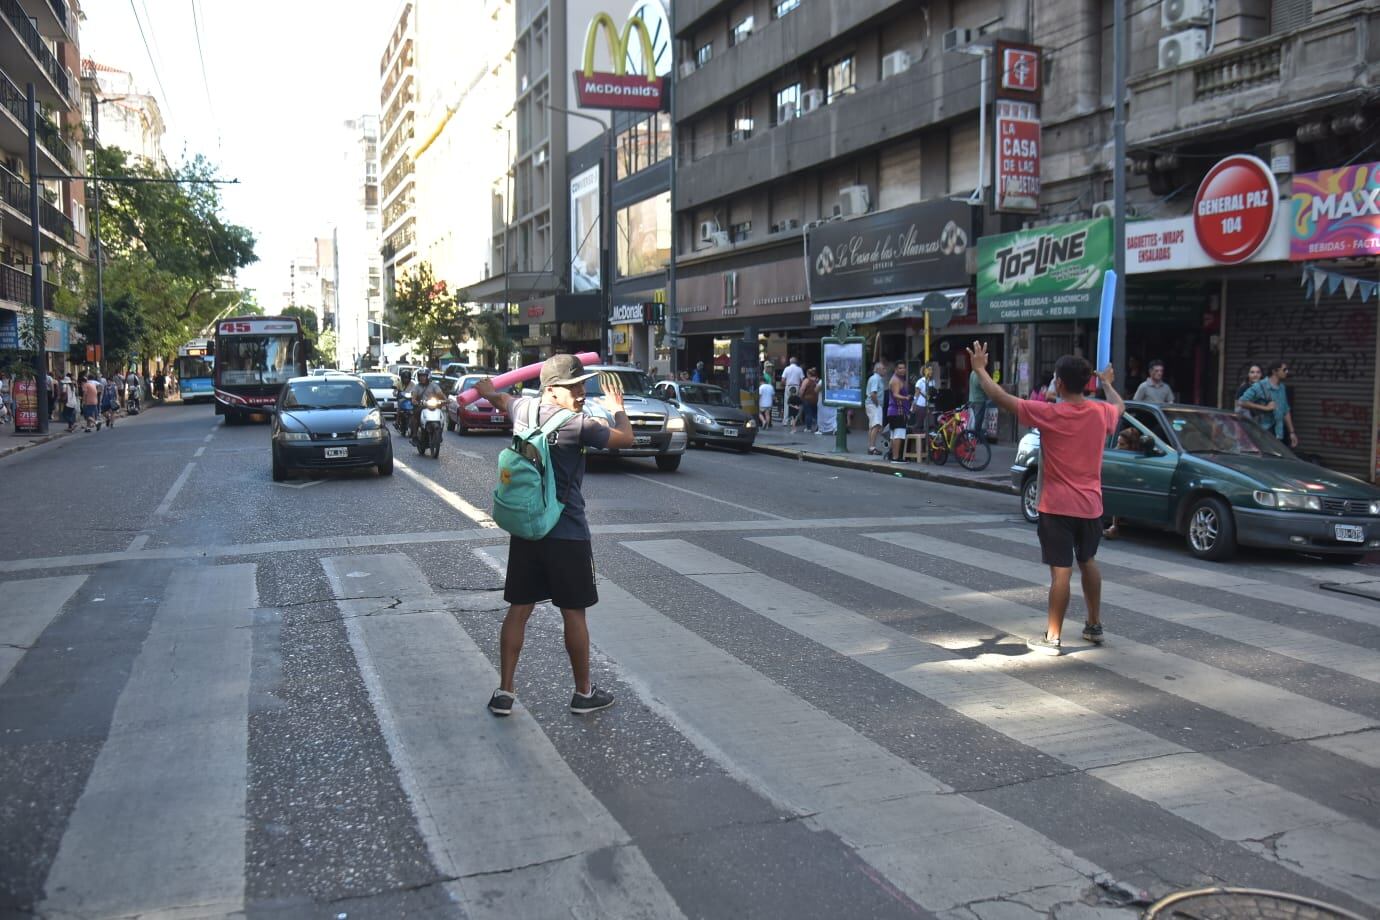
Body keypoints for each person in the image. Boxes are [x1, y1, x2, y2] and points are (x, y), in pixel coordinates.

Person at [476, 355, 635, 717]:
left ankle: (505, 691)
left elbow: (503, 400)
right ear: (552, 390)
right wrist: (618, 409)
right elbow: (625, 439)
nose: (581, 393)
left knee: (519, 609)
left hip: (528, 529)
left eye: (582, 385)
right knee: (573, 613)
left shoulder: (524, 410)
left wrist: (488, 391)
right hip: (567, 533)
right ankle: (583, 693)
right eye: (573, 387)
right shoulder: (579, 425)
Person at [969, 341, 1124, 656]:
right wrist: (1108, 385)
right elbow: (1120, 407)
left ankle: (1053, 637)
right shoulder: (1101, 413)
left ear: (1061, 383)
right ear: (1087, 383)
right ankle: (1094, 626)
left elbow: (1000, 397)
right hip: (1091, 506)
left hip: (1056, 506)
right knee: (1088, 561)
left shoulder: (1051, 414)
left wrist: (980, 369)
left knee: (1061, 571)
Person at [1238, 361, 1297, 447]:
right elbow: (1241, 402)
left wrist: (1292, 432)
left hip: (1279, 433)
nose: (1287, 372)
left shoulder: (1282, 387)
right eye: (1284, 370)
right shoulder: (1260, 386)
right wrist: (1265, 408)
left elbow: (1286, 410)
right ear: (1275, 371)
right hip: (1263, 432)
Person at [885, 364, 913, 463]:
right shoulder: (896, 380)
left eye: (904, 368)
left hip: (893, 411)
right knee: (899, 435)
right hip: (898, 411)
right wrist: (906, 398)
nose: (903, 370)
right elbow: (895, 394)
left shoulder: (897, 379)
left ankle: (893, 455)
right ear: (895, 369)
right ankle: (896, 458)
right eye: (900, 368)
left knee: (893, 435)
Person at [408, 367, 445, 436]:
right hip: (421, 407)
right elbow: (414, 397)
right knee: (415, 416)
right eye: (420, 376)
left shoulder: (434, 385)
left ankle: (440, 433)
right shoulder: (417, 387)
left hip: (434, 406)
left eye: (424, 376)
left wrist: (446, 400)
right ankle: (415, 435)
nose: (422, 378)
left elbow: (440, 394)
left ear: (428, 376)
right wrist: (414, 401)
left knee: (441, 416)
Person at [865, 361, 887, 454]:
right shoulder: (876, 379)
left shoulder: (876, 378)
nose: (885, 370)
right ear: (878, 369)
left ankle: (870, 446)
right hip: (874, 404)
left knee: (872, 426)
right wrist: (877, 404)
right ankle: (872, 447)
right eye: (883, 369)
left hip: (872, 404)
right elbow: (873, 393)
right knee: (876, 425)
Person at [968, 366, 988, 436]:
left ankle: (971, 435)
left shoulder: (972, 373)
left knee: (972, 420)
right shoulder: (980, 374)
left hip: (971, 399)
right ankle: (976, 436)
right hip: (979, 400)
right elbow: (983, 387)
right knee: (978, 420)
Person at [799, 367, 820, 432]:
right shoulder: (817, 380)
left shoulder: (806, 380)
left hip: (807, 399)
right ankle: (819, 426)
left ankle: (808, 428)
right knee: (816, 413)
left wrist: (800, 396)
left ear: (808, 374)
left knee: (808, 413)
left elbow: (802, 389)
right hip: (816, 399)